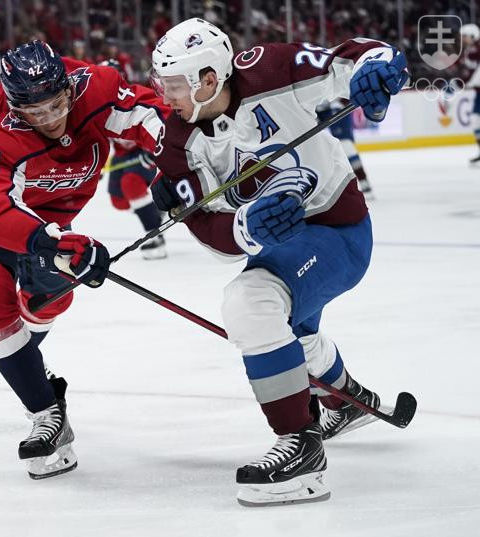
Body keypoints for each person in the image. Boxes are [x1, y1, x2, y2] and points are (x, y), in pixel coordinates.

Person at [147, 19, 407, 506]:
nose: (167, 95)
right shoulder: (179, 141)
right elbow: (210, 234)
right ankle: (347, 399)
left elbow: (353, 59)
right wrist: (244, 228)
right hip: (286, 246)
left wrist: (377, 68)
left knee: (252, 303)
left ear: (209, 78)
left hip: (338, 231)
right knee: (295, 332)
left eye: (176, 84)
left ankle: (300, 444)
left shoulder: (268, 69)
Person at [0, 40, 167, 479]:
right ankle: (46, 413)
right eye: (34, 112)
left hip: (52, 214)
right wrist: (54, 243)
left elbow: (152, 117)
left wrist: (182, 163)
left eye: (56, 104)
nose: (49, 117)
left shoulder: (95, 87)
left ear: (68, 89)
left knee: (45, 302)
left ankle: (23, 356)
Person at [99, 60, 166, 259]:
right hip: (122, 155)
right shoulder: (94, 103)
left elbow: (158, 120)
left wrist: (154, 151)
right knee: (119, 201)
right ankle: (154, 211)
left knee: (131, 184)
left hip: (142, 150)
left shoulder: (135, 97)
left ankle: (154, 235)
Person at [317, 100, 374, 197]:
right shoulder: (325, 106)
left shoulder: (340, 102)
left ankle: (364, 183)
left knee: (348, 152)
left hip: (343, 139)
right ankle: (363, 184)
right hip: (336, 140)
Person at [460, 23, 480, 165]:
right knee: (475, 121)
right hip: (478, 92)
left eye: (465, 36)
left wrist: (464, 82)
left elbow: (473, 74)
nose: (463, 39)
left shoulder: (476, 50)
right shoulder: (471, 50)